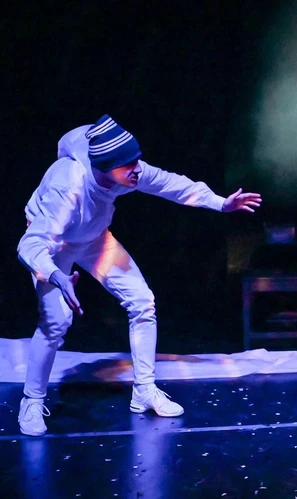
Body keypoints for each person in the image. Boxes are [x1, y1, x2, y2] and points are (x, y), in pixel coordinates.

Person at [17, 115, 262, 436]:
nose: (137, 169)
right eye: (128, 165)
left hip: (94, 239)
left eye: (136, 161)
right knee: (56, 321)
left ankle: (144, 389)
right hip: (55, 247)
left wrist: (220, 203)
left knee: (142, 301)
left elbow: (171, 184)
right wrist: (56, 276)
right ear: (105, 166)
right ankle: (32, 400)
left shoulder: (128, 170)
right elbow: (30, 244)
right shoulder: (68, 187)